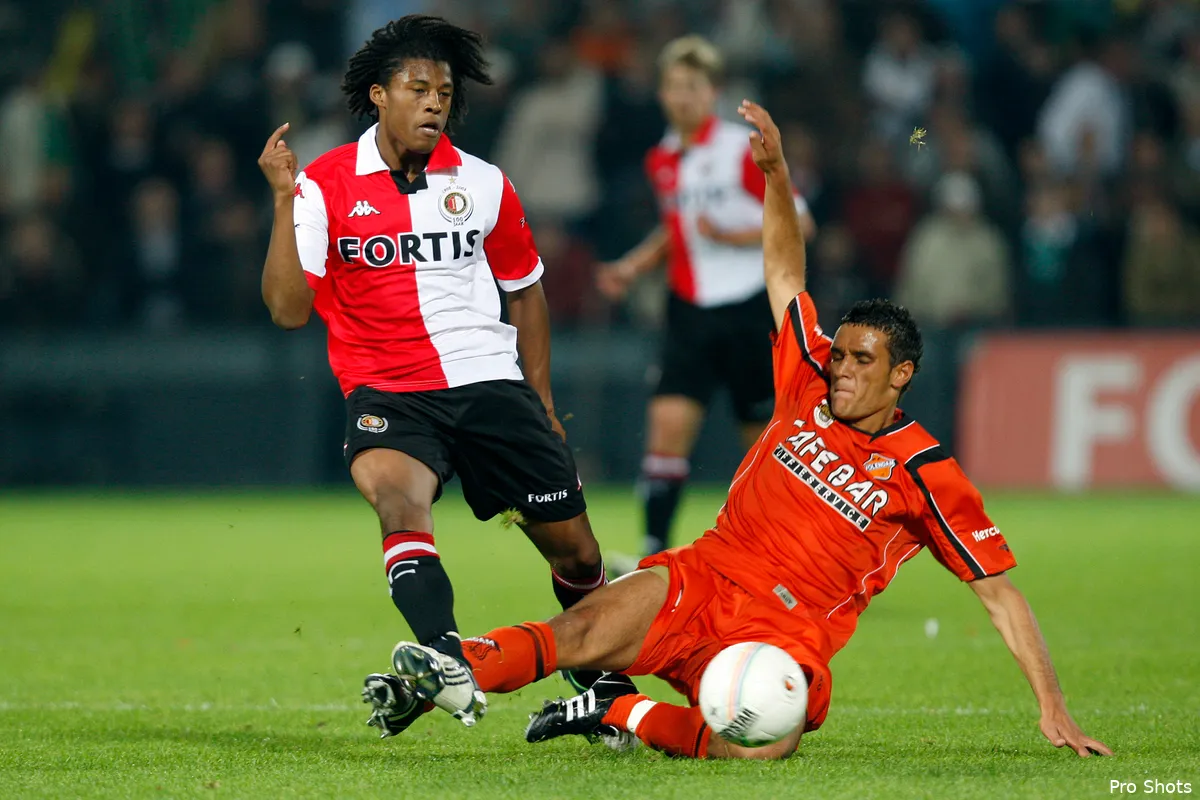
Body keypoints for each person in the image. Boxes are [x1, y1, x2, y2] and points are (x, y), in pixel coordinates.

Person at [376, 101, 1113, 762]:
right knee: (577, 632)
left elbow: (1000, 596)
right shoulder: (808, 376)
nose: (843, 370)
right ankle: (451, 667)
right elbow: (785, 275)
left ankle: (616, 709)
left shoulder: (924, 470)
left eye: (863, 361)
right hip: (701, 576)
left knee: (763, 746)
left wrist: (1053, 705)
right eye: (842, 353)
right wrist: (777, 177)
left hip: (787, 637)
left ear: (902, 376)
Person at [255, 15, 609, 733]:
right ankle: (445, 658)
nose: (434, 102)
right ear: (378, 96)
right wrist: (283, 202)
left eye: (444, 91)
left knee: (577, 550)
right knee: (398, 504)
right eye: (418, 88)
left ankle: (602, 685)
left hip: (488, 384)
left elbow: (527, 285)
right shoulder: (323, 185)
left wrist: (537, 391)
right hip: (388, 390)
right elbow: (290, 310)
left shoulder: (483, 183)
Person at [596, 36, 817, 571]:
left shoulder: (741, 148)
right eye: (671, 86)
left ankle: (791, 555)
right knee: (666, 428)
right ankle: (652, 557)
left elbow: (801, 221)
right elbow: (678, 230)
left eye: (691, 87)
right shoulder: (664, 158)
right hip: (688, 311)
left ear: (713, 92)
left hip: (748, 310)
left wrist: (732, 235)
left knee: (765, 443)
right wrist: (634, 265)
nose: (680, 97)